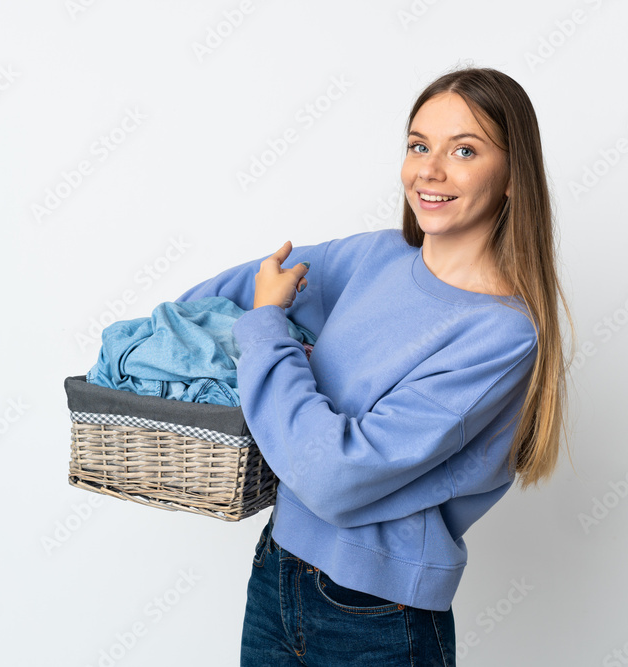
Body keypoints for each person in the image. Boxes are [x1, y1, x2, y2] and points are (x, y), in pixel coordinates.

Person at [175, 64, 574, 666]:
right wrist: (160, 339)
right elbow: (227, 296)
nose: (430, 170)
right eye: (419, 146)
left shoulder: (501, 336)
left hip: (376, 616)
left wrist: (266, 331)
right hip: (276, 568)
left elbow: (334, 476)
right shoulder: (376, 257)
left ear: (515, 173)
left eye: (463, 150)